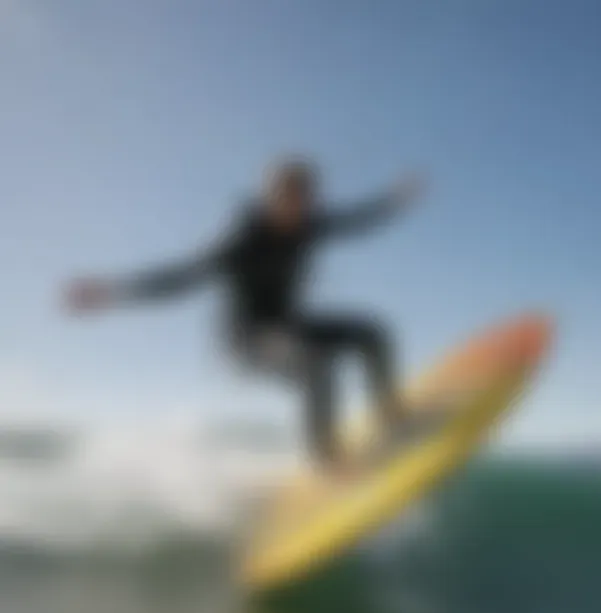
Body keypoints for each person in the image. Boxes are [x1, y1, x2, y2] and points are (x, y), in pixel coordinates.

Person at [64, 158, 425, 480]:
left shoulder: (310, 224)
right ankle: (327, 460)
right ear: (269, 198)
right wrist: (113, 292)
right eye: (287, 199)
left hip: (289, 328)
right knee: (318, 367)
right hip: (246, 344)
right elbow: (181, 277)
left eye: (305, 199)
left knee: (372, 333)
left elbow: (355, 221)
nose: (297, 208)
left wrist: (394, 200)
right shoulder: (240, 242)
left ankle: (391, 415)